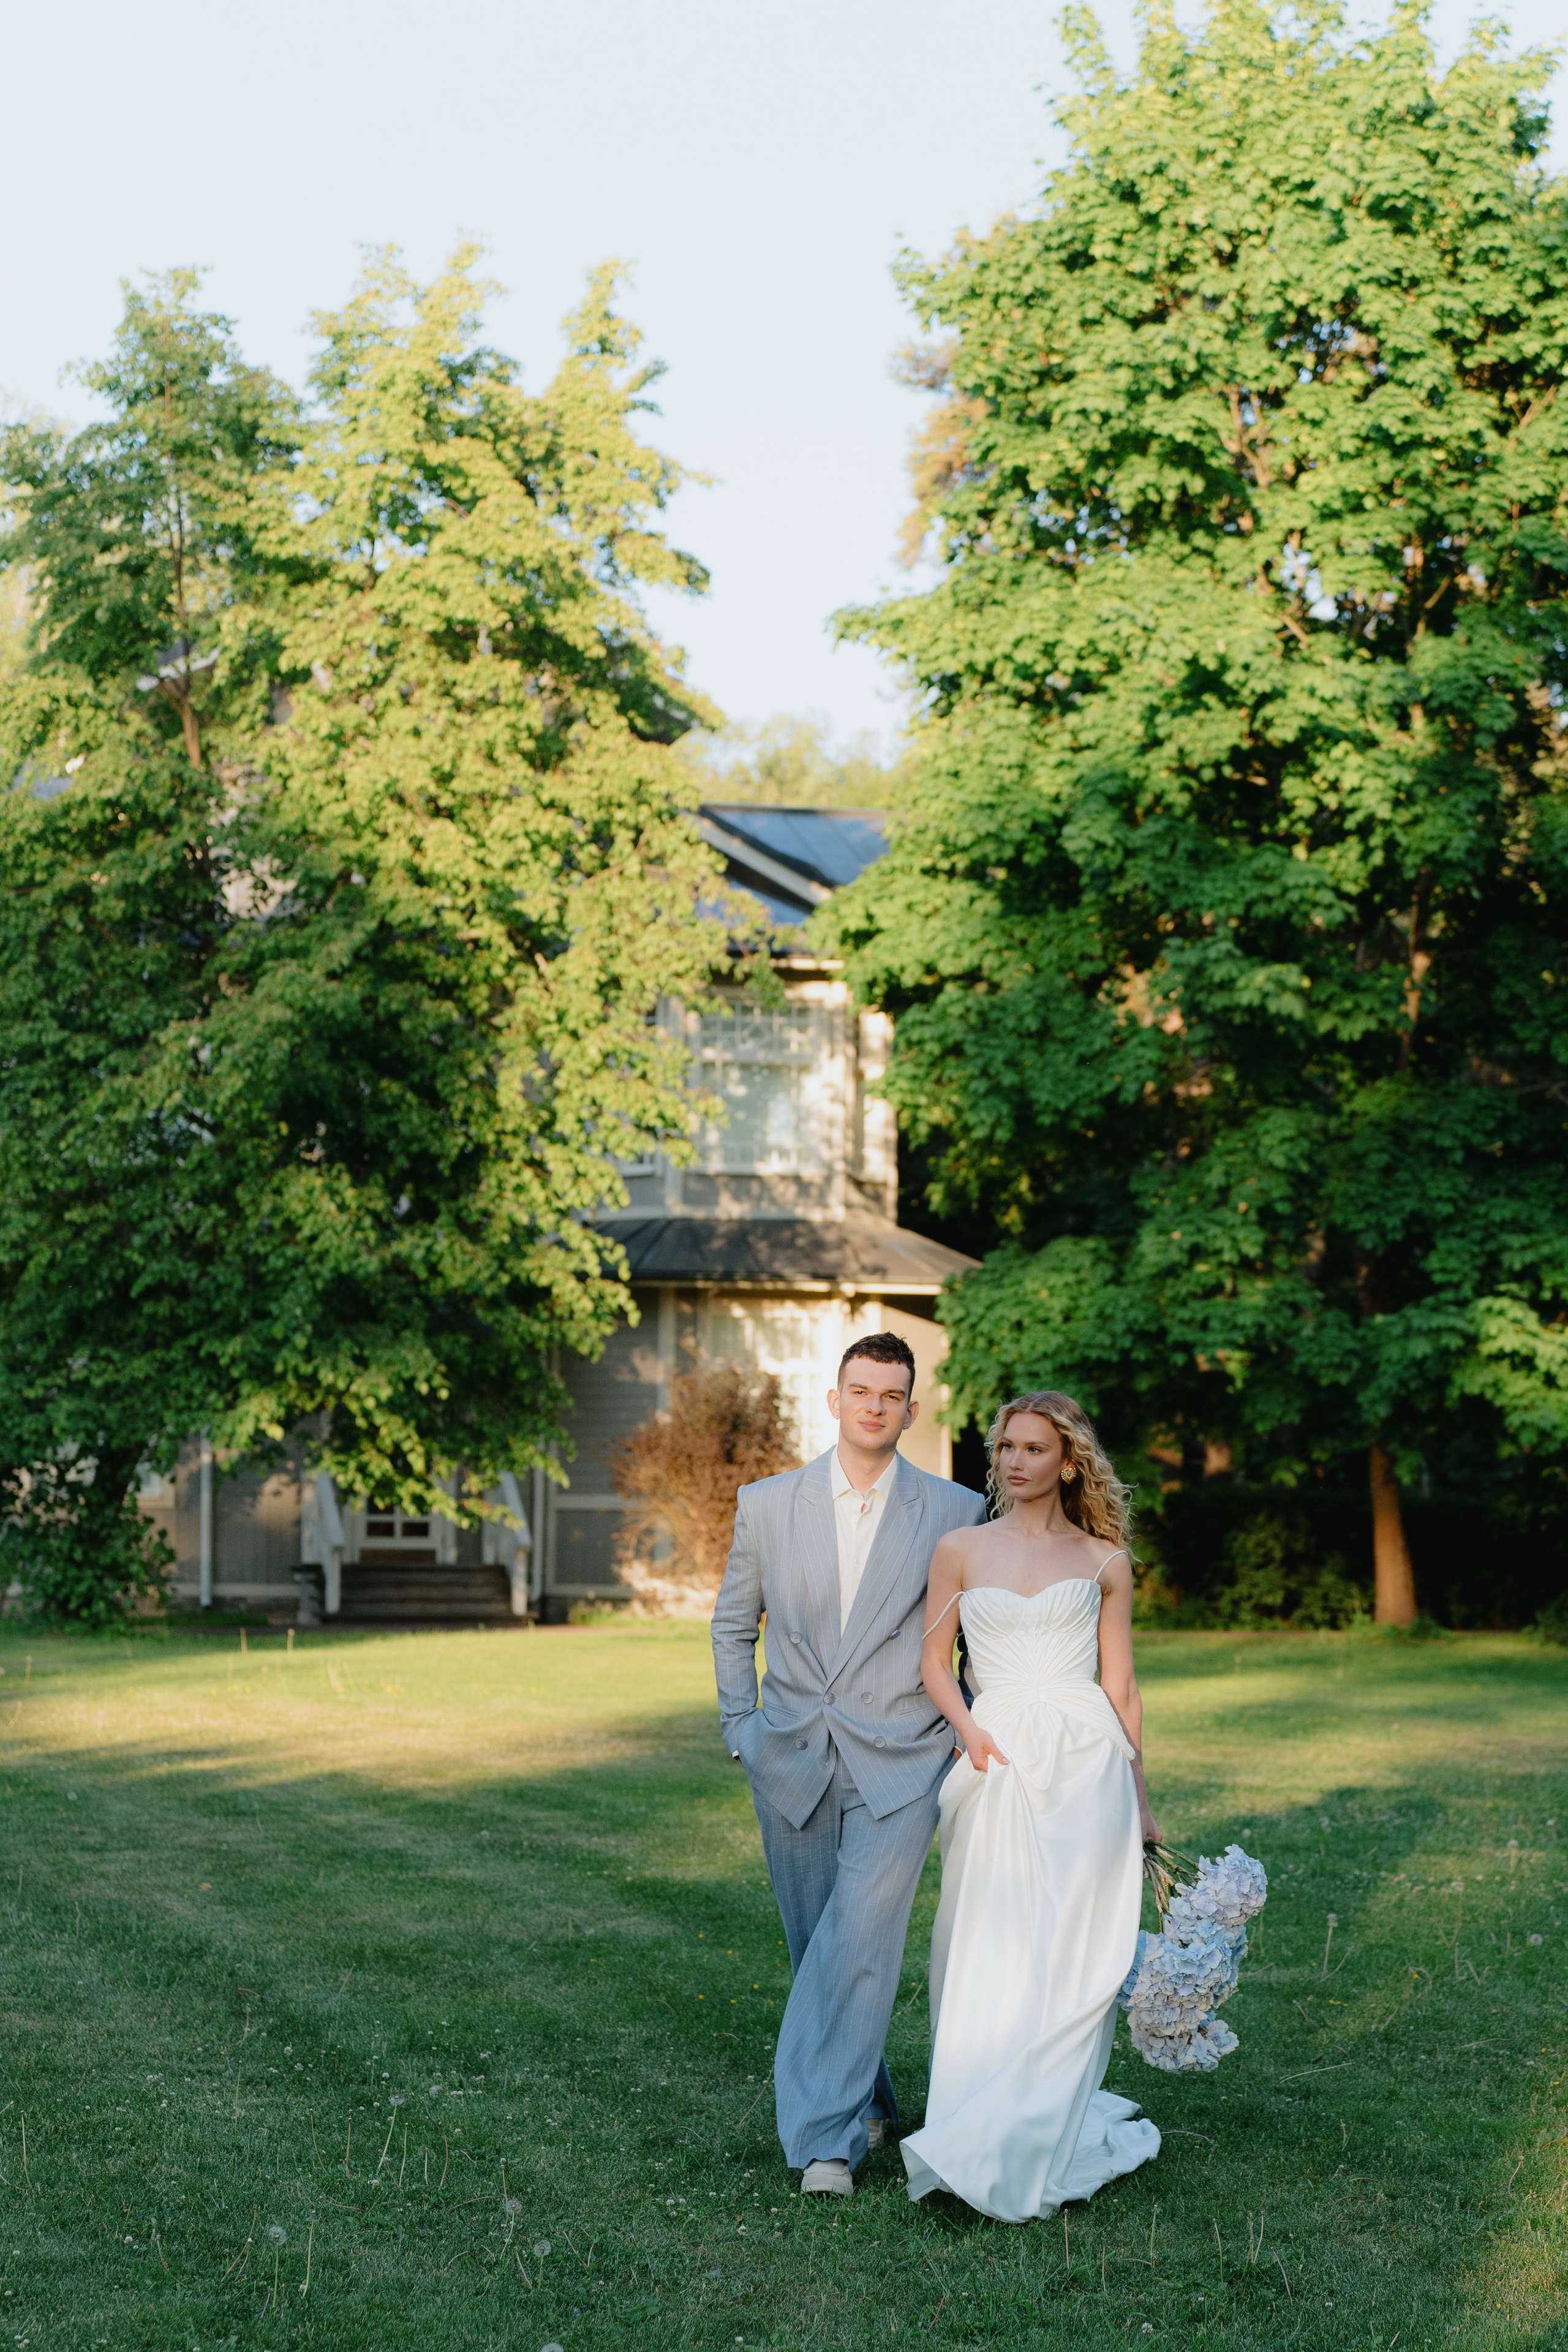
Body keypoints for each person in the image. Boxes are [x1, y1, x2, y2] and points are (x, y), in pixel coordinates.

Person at [710, 1332, 986, 2198]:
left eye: (892, 1394)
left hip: (903, 1759)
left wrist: (965, 1729)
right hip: (789, 1754)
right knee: (816, 1942)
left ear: (912, 1408)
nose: (874, 1406)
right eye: (859, 1390)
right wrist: (739, 1728)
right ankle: (868, 2099)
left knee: (861, 1935)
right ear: (834, 1400)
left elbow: (969, 1640)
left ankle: (824, 2145)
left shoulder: (952, 1511)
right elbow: (732, 1624)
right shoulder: (767, 1504)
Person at [899, 1388, 1162, 2223]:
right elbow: (935, 1661)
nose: (1015, 1462)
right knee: (985, 1939)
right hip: (998, 1757)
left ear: (1068, 1460)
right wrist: (970, 1731)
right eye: (1006, 1447)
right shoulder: (960, 1548)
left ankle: (1043, 2125)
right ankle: (977, 2118)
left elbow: (1120, 1688)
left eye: (1033, 1449)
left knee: (1079, 1954)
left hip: (1088, 1762)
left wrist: (1143, 1802)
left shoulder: (1103, 1561)